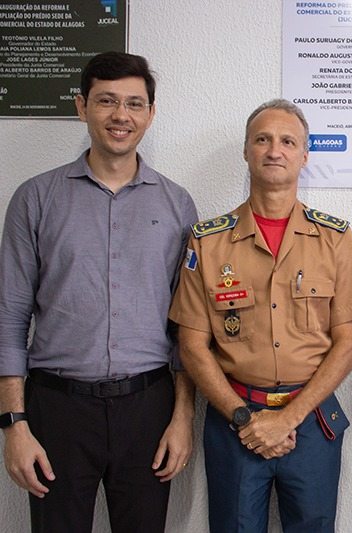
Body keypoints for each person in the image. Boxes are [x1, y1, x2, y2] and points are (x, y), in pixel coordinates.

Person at [0, 51, 197, 533]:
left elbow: (188, 325)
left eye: (134, 103)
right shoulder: (35, 198)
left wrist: (182, 417)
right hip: (58, 409)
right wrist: (14, 424)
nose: (120, 115)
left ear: (150, 113)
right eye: (106, 101)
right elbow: (10, 317)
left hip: (148, 407)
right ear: (81, 106)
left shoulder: (177, 205)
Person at [168, 98, 352, 532]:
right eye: (262, 140)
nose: (274, 150)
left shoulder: (335, 238)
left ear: (305, 155)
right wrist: (244, 418)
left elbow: (348, 343)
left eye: (287, 141)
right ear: (246, 151)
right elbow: (191, 346)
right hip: (235, 423)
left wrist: (287, 418)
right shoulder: (207, 241)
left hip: (311, 421)